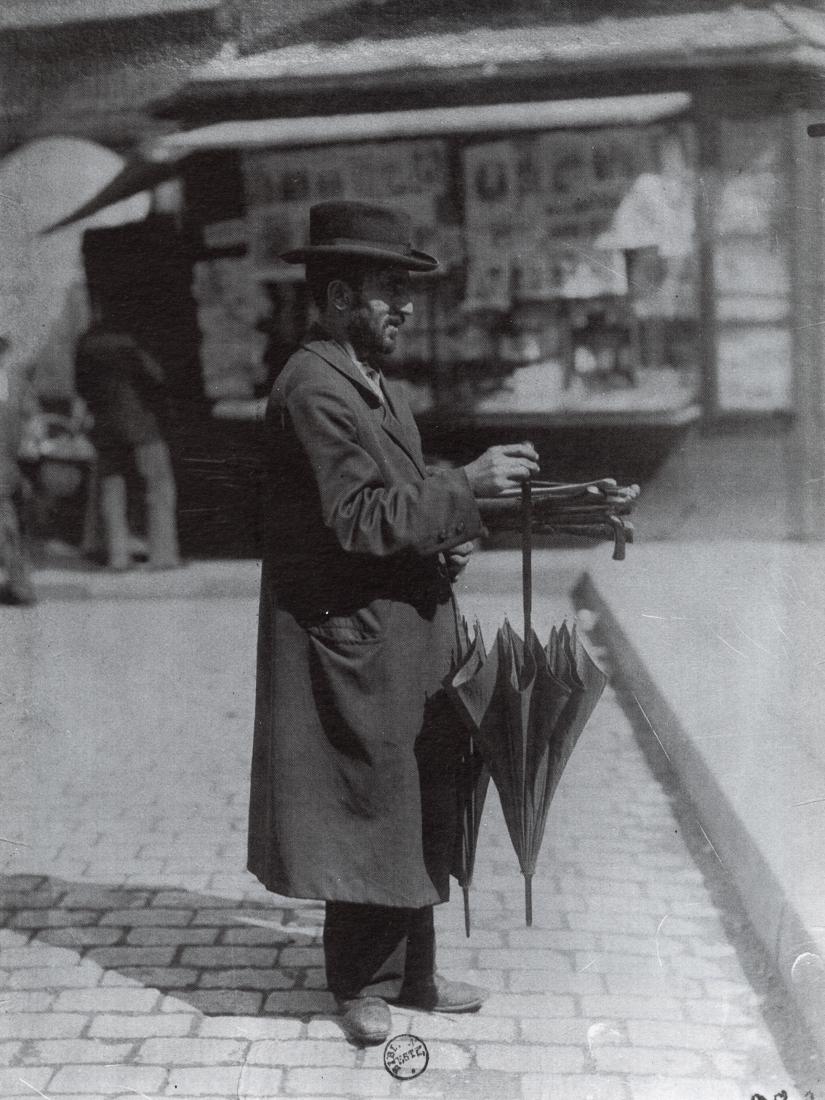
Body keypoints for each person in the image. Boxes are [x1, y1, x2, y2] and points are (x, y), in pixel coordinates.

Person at [248, 201, 540, 1044]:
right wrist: (467, 487)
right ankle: (359, 984)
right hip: (351, 637)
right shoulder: (312, 386)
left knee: (416, 797)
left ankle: (412, 973)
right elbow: (356, 517)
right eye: (385, 290)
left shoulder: (374, 386)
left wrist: (449, 534)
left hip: (397, 629)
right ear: (336, 297)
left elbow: (395, 510)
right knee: (368, 803)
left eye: (405, 291)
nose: (403, 307)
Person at [74, 312, 180, 571]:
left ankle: (117, 555)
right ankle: (163, 555)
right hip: (143, 426)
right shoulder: (133, 343)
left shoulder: (87, 343)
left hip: (106, 425)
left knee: (112, 489)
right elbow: (156, 378)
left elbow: (80, 385)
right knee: (159, 487)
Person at [0, 335, 37, 606]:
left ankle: (19, 584)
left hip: (5, 464)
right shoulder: (13, 383)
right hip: (7, 463)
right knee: (8, 525)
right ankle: (19, 584)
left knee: (7, 524)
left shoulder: (13, 383)